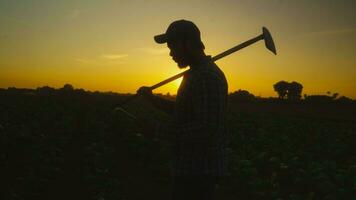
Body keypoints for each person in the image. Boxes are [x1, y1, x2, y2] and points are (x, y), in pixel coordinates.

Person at [137, 19, 229, 200]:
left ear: (188, 43)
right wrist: (153, 100)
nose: (170, 53)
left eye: (173, 46)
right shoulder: (195, 74)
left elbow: (206, 130)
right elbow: (185, 111)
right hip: (189, 169)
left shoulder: (206, 77)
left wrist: (156, 130)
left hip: (199, 173)